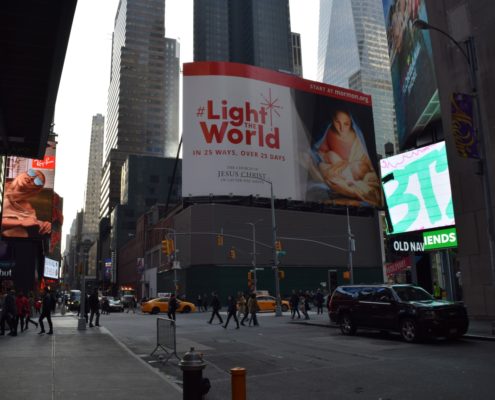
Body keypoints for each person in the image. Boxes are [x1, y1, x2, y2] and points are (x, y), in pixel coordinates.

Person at [313, 110, 381, 206]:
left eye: (346, 124)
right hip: (341, 167)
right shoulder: (329, 132)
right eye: (337, 122)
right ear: (333, 119)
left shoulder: (359, 139)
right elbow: (319, 152)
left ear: (352, 122)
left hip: (351, 172)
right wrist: (327, 157)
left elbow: (367, 167)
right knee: (327, 162)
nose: (341, 128)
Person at [1, 169, 52, 238]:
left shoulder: (26, 208)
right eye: (31, 173)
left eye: (37, 181)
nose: (31, 178)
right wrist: (21, 222)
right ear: (23, 173)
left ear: (35, 189)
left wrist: (45, 224)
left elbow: (33, 222)